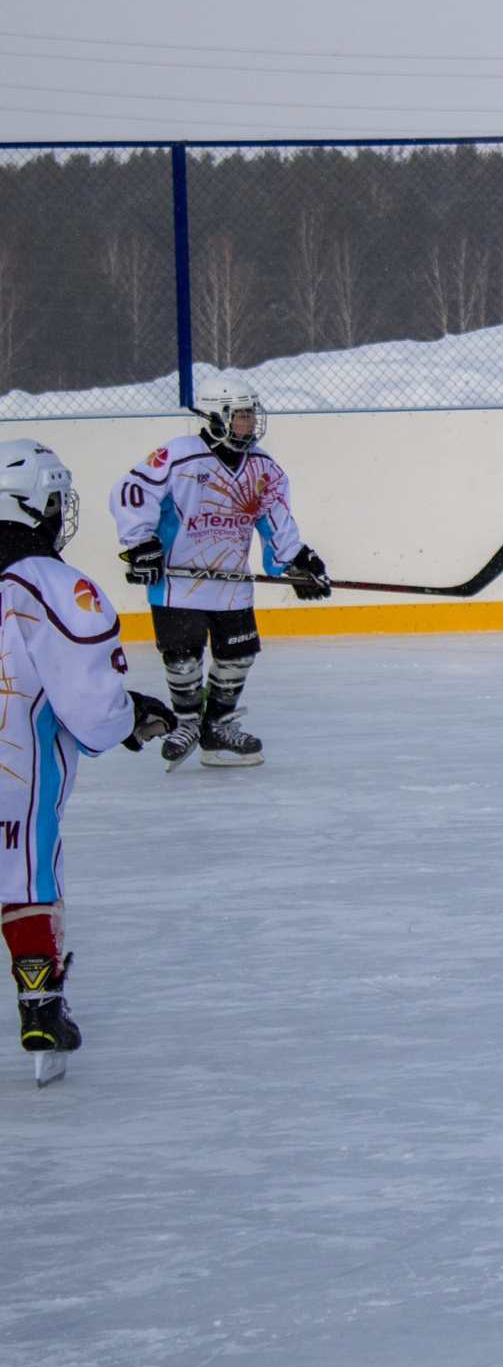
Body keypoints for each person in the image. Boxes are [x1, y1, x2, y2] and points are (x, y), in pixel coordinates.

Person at [0, 440, 175, 1082]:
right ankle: (40, 1006)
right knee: (24, 872)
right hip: (13, 763)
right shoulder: (50, 583)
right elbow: (91, 704)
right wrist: (128, 719)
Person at [109, 384, 330, 769]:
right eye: (241, 415)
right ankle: (188, 723)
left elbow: (274, 518)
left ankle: (216, 726)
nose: (250, 422)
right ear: (216, 416)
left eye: (251, 414)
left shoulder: (264, 467)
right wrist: (141, 543)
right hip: (177, 584)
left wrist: (295, 559)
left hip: (232, 585)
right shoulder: (179, 455)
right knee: (182, 659)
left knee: (238, 656)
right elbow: (131, 491)